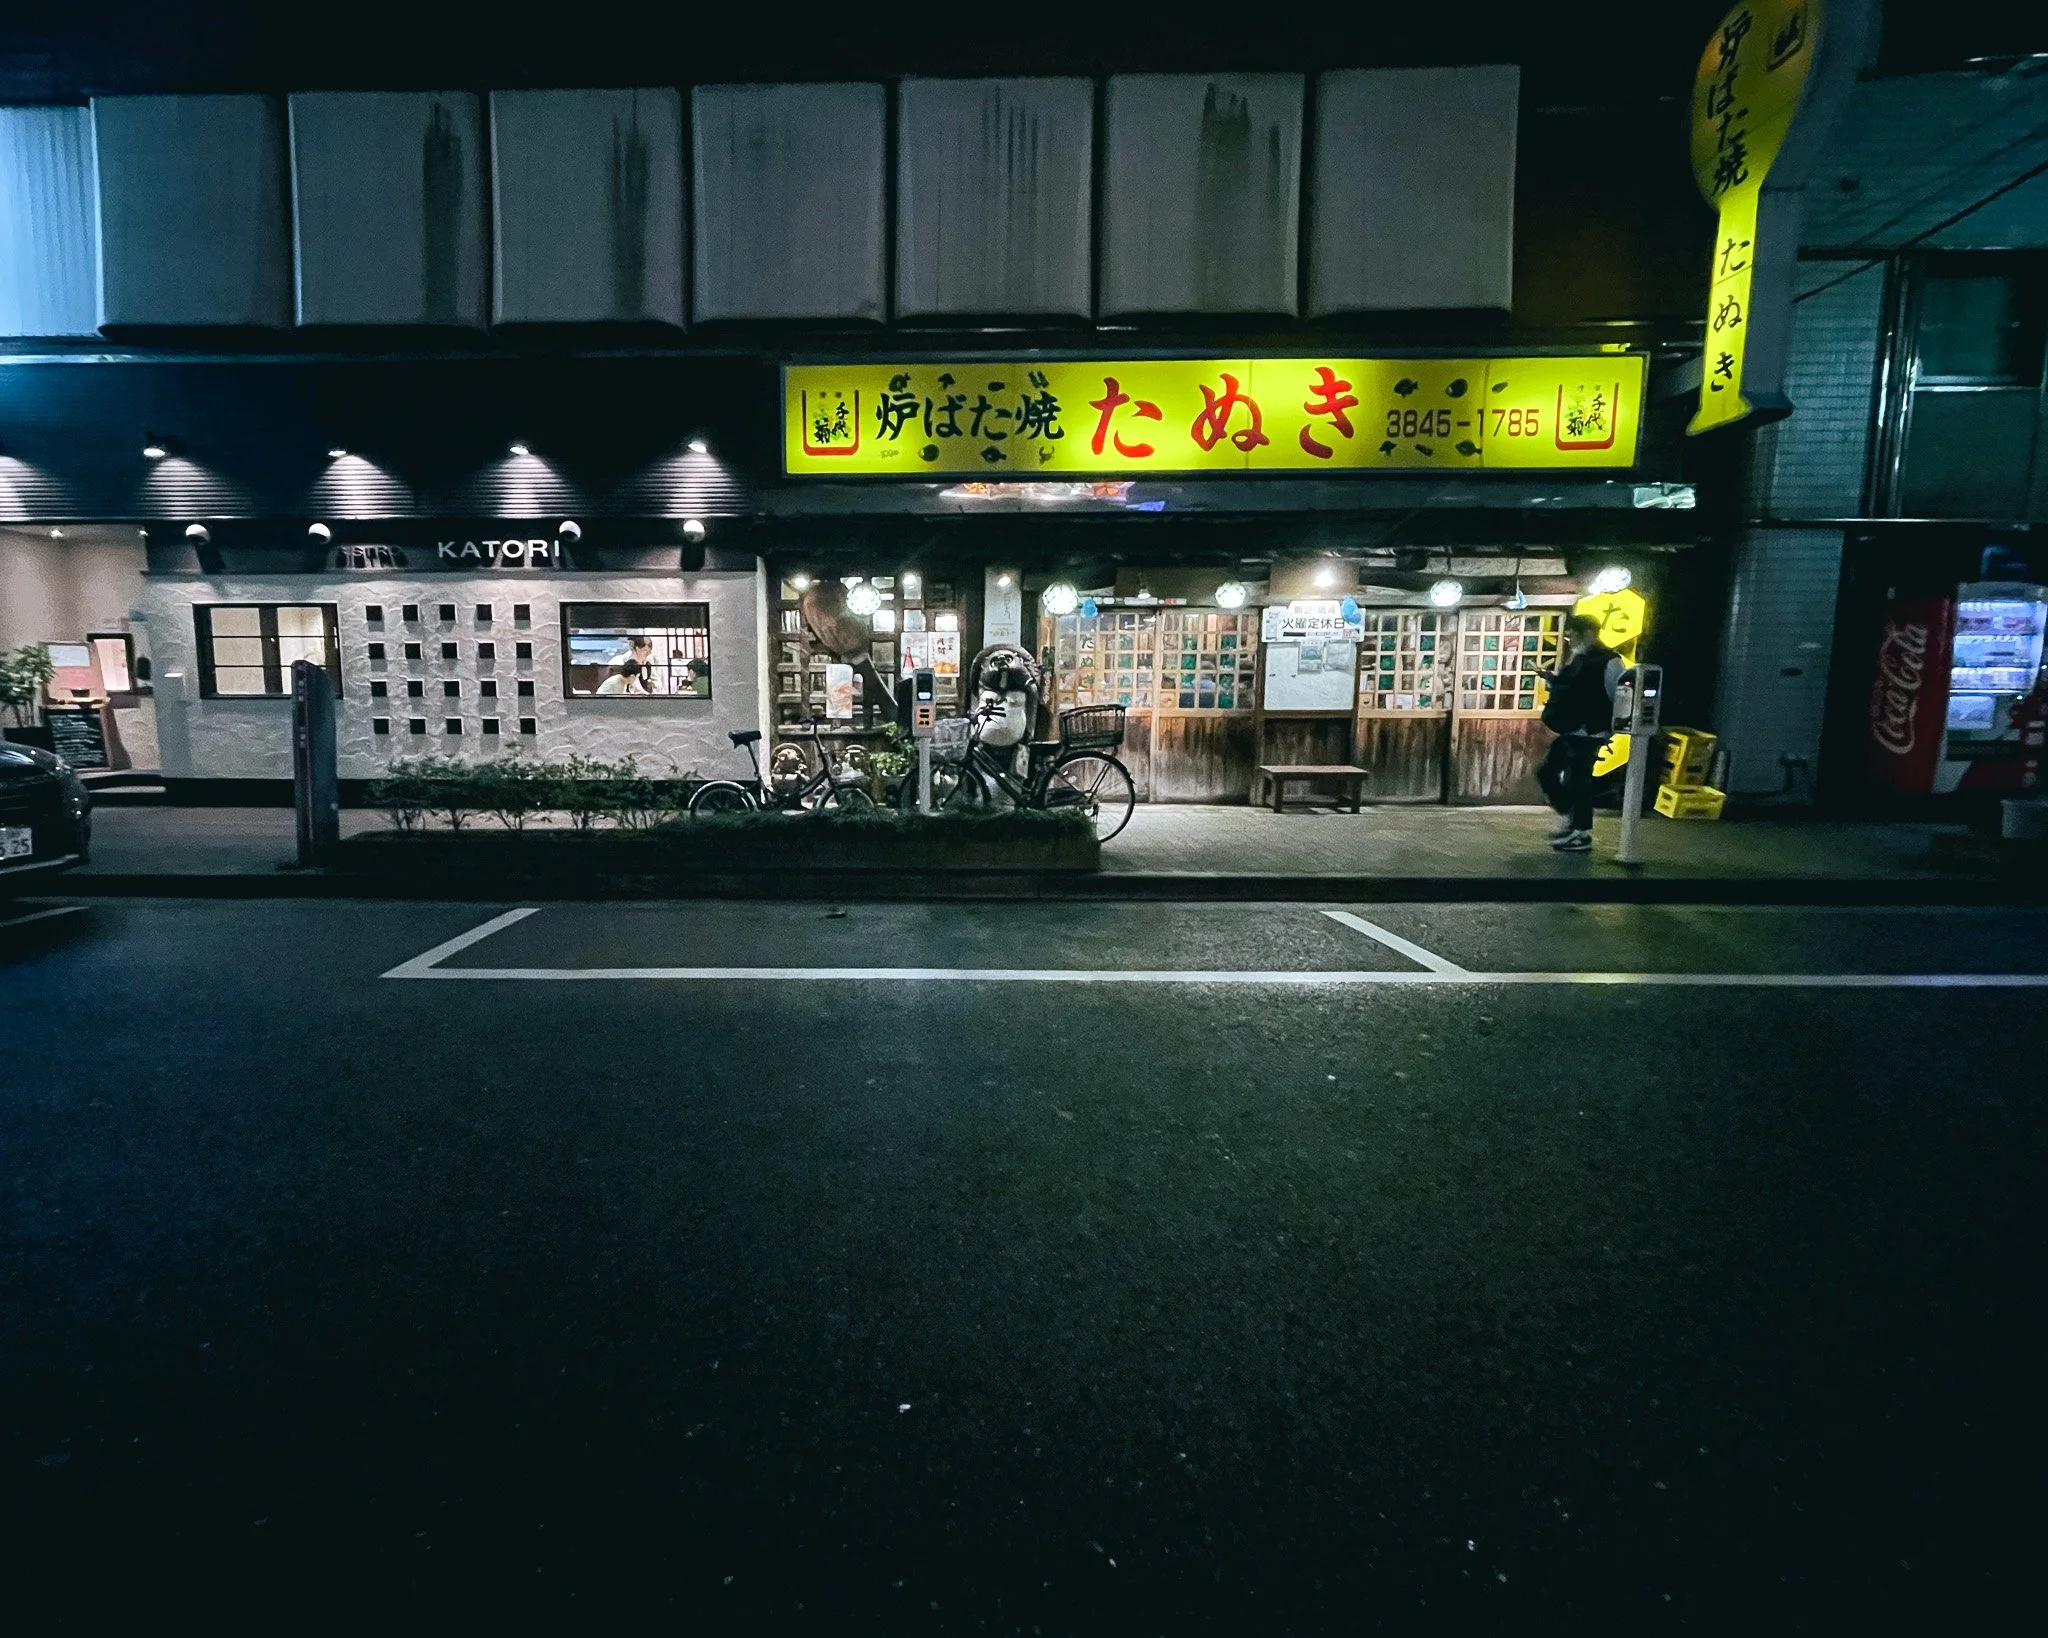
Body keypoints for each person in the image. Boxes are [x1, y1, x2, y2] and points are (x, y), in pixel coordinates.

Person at [1536, 613, 1625, 853]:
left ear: (1589, 633)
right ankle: (1572, 819)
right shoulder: (1580, 657)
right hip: (1572, 729)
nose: (1568, 640)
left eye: (1572, 635)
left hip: (1591, 732)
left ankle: (1581, 832)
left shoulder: (1611, 661)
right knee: (1548, 772)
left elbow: (1618, 698)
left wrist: (1607, 727)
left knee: (1579, 780)